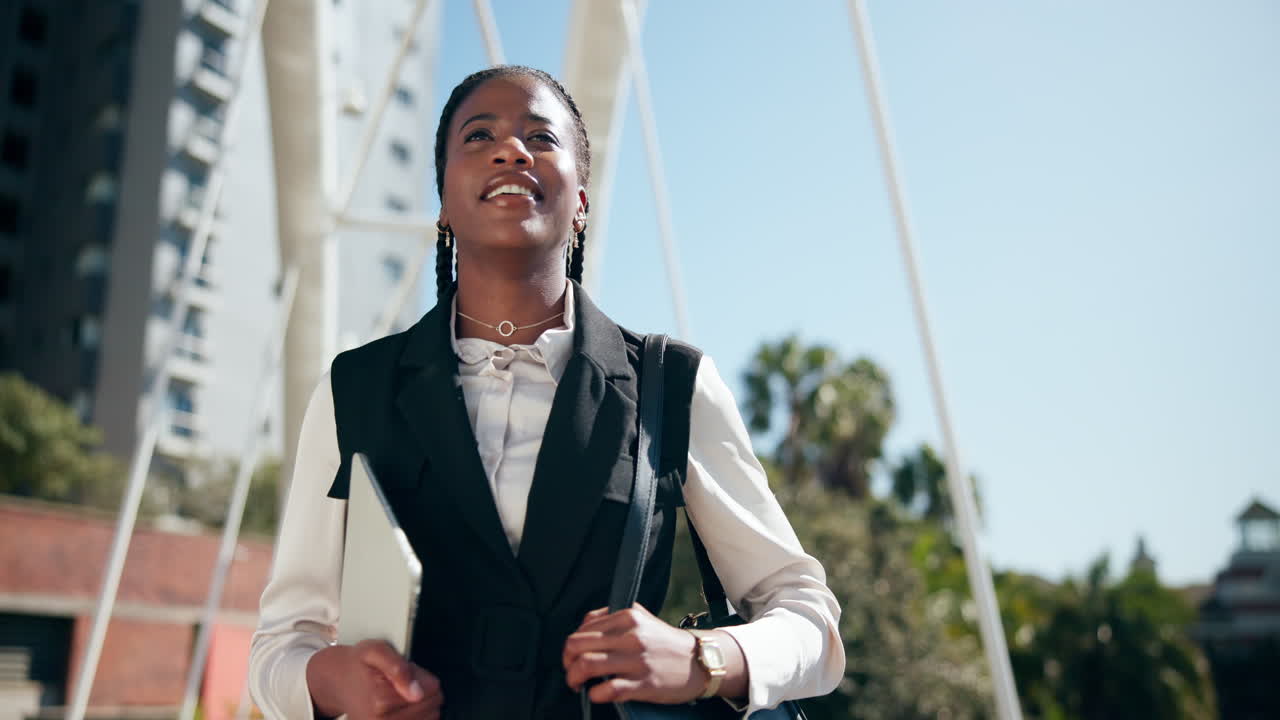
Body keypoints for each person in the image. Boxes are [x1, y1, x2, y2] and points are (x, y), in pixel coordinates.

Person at [248, 66, 844, 720]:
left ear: (582, 202)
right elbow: (282, 643)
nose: (512, 150)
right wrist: (327, 679)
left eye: (541, 137)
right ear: (442, 199)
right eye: (479, 136)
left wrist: (703, 660)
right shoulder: (354, 390)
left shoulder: (672, 384)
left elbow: (808, 618)